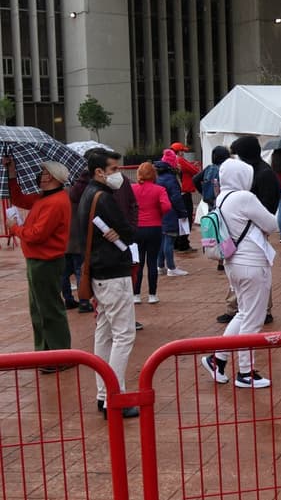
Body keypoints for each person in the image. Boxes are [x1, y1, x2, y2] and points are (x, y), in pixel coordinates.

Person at [202, 158, 279, 389]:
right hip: (252, 264)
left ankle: (218, 359)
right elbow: (273, 224)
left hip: (233, 263)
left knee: (244, 314)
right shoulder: (244, 197)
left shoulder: (222, 198)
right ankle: (246, 372)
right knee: (252, 322)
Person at [78, 149, 139, 418]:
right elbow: (127, 229)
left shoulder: (87, 194)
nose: (119, 175)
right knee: (124, 335)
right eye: (114, 170)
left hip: (100, 274)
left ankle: (104, 395)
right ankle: (116, 395)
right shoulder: (104, 197)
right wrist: (124, 233)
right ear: (99, 172)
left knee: (104, 334)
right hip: (113, 273)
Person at [4, 157, 73, 368]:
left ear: (53, 177)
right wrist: (12, 173)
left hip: (45, 261)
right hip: (39, 260)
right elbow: (18, 198)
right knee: (40, 309)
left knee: (49, 309)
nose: (39, 177)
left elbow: (36, 235)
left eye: (43, 173)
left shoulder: (55, 202)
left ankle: (58, 356)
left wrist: (14, 228)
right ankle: (45, 353)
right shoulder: (45, 198)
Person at [218, 136, 281, 325]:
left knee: (250, 307)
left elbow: (269, 212)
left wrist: (257, 219)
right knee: (248, 310)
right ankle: (237, 308)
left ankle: (262, 308)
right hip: (244, 237)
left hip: (253, 233)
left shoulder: (262, 174)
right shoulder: (242, 184)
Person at [131, 162, 171, 304]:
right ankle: (152, 295)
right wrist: (158, 213)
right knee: (152, 261)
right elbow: (166, 206)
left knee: (138, 262)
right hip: (154, 227)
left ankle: (136, 294)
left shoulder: (132, 189)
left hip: (136, 228)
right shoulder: (159, 189)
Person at [154, 157, 189, 277]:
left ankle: (160, 266)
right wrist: (183, 212)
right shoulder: (171, 180)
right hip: (171, 213)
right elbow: (176, 198)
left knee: (162, 241)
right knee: (169, 240)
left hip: (161, 214)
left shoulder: (158, 180)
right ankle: (171, 267)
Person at [170, 142, 199, 252]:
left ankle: (177, 243)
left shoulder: (171, 161)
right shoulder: (180, 160)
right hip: (184, 193)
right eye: (183, 151)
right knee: (186, 219)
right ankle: (183, 243)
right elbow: (194, 171)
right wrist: (194, 166)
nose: (184, 153)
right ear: (179, 151)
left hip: (177, 193)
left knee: (179, 218)